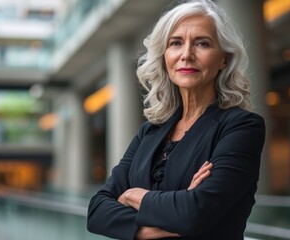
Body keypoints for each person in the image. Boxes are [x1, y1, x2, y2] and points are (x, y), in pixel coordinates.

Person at [87, 0, 265, 239]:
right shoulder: (149, 132)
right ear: (164, 57)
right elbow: (97, 211)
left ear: (223, 58)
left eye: (202, 43)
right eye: (176, 43)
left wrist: (132, 196)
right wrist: (157, 225)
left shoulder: (241, 127)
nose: (186, 55)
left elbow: (193, 213)